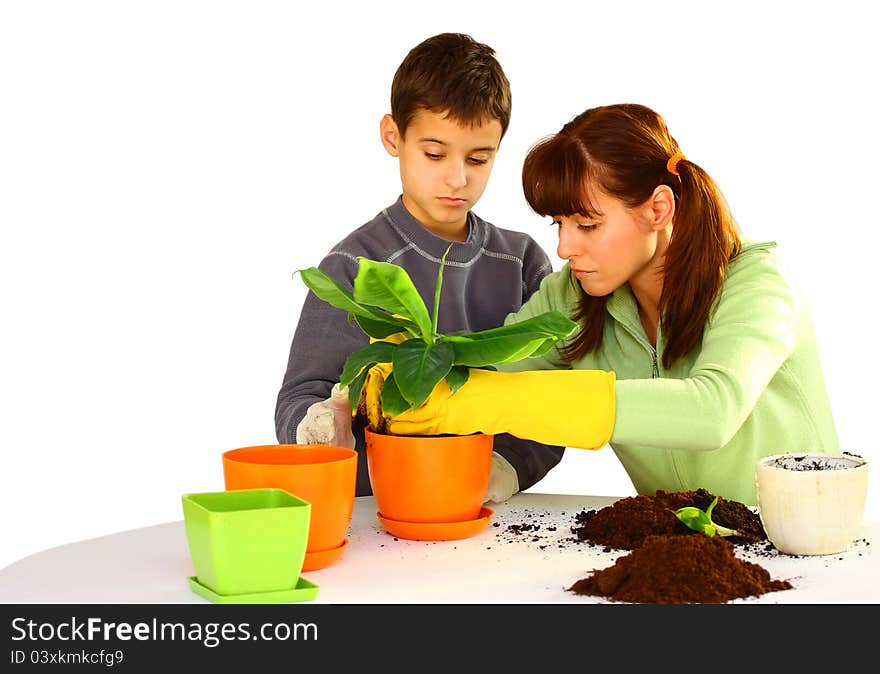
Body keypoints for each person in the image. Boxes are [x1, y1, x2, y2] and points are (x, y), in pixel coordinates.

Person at [364, 103, 840, 506]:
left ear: (658, 209)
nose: (566, 248)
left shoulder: (756, 283)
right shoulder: (573, 294)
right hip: (678, 549)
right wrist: (388, 381)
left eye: (587, 225)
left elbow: (712, 411)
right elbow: (485, 367)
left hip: (801, 547)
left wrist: (492, 401)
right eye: (559, 224)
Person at [275, 33, 565, 502]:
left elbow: (553, 396)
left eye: (479, 158)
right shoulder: (354, 269)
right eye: (435, 154)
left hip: (486, 514)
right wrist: (318, 429)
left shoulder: (522, 263)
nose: (458, 178)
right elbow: (301, 395)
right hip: (378, 516)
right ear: (394, 136)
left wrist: (505, 468)